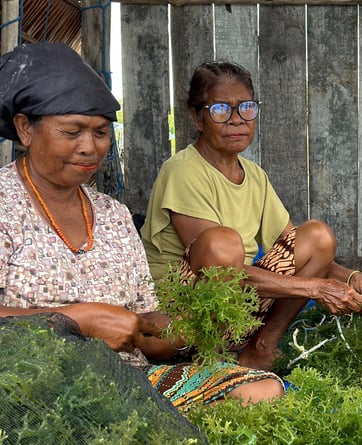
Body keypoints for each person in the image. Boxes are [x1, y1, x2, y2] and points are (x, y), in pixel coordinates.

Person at [0, 42, 284, 412]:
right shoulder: (6, 204)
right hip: (30, 385)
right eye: (72, 132)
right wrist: (78, 319)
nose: (89, 147)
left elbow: (146, 332)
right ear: (25, 129)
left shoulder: (114, 216)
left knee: (259, 390)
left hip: (127, 382)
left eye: (101, 133)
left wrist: (178, 334)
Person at [140, 60, 362, 371]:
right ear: (196, 118)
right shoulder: (182, 171)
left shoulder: (254, 176)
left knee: (318, 237)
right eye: (220, 110)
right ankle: (207, 359)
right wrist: (315, 289)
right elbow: (217, 270)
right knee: (222, 243)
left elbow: (303, 251)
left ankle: (261, 348)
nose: (237, 120)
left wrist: (352, 279)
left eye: (246, 108)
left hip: (234, 310)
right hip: (181, 315)